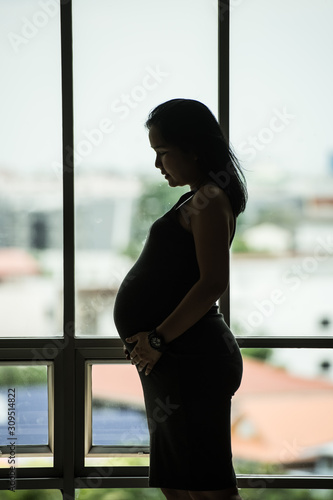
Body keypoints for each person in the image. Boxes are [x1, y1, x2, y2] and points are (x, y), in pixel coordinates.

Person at [113, 98, 247, 500]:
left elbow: (211, 284)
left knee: (212, 490)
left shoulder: (207, 200)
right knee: (178, 486)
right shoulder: (195, 198)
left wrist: (156, 340)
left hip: (192, 361)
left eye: (163, 153)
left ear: (193, 149)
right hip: (174, 362)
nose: (158, 165)